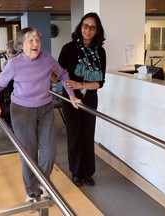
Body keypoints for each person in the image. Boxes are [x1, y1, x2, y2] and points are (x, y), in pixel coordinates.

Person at [0, 27, 82, 201]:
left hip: (45, 107)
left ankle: (43, 184)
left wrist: (72, 97)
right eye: (30, 40)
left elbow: (62, 75)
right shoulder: (14, 64)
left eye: (37, 40)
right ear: (21, 45)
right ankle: (32, 190)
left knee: (49, 152)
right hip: (22, 111)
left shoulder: (47, 58)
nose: (35, 44)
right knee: (29, 152)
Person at [58, 12, 106, 187]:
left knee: (88, 135)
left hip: (91, 98)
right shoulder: (68, 48)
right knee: (75, 135)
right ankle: (76, 172)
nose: (88, 29)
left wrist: (81, 84)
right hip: (71, 99)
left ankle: (88, 172)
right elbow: (59, 74)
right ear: (80, 27)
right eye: (85, 25)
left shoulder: (100, 51)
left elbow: (100, 83)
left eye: (92, 27)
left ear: (97, 31)